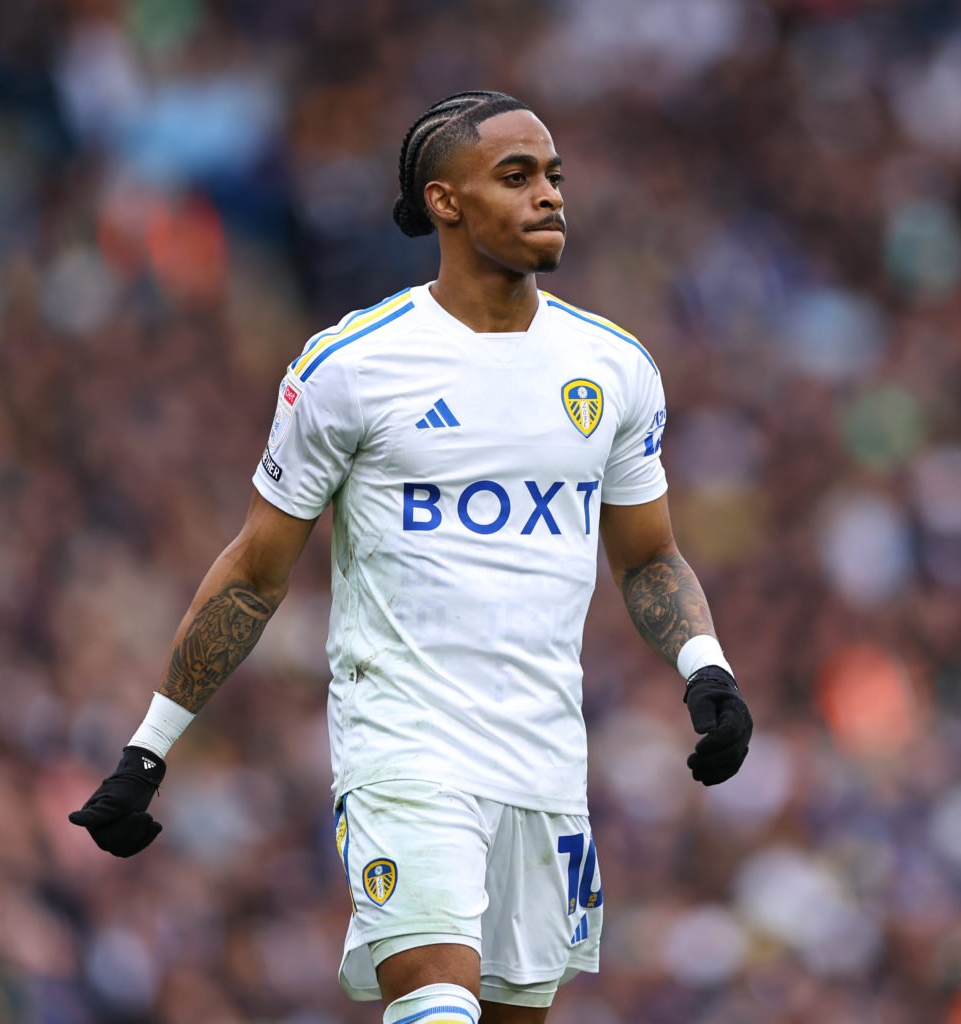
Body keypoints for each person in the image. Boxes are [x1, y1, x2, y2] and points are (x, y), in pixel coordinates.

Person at [68, 90, 753, 1024]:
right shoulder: (352, 366)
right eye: (516, 177)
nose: (549, 195)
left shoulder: (615, 368)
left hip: (546, 762)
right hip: (407, 751)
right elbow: (256, 570)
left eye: (553, 175)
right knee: (437, 1006)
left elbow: (648, 557)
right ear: (445, 202)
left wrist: (703, 667)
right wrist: (150, 748)